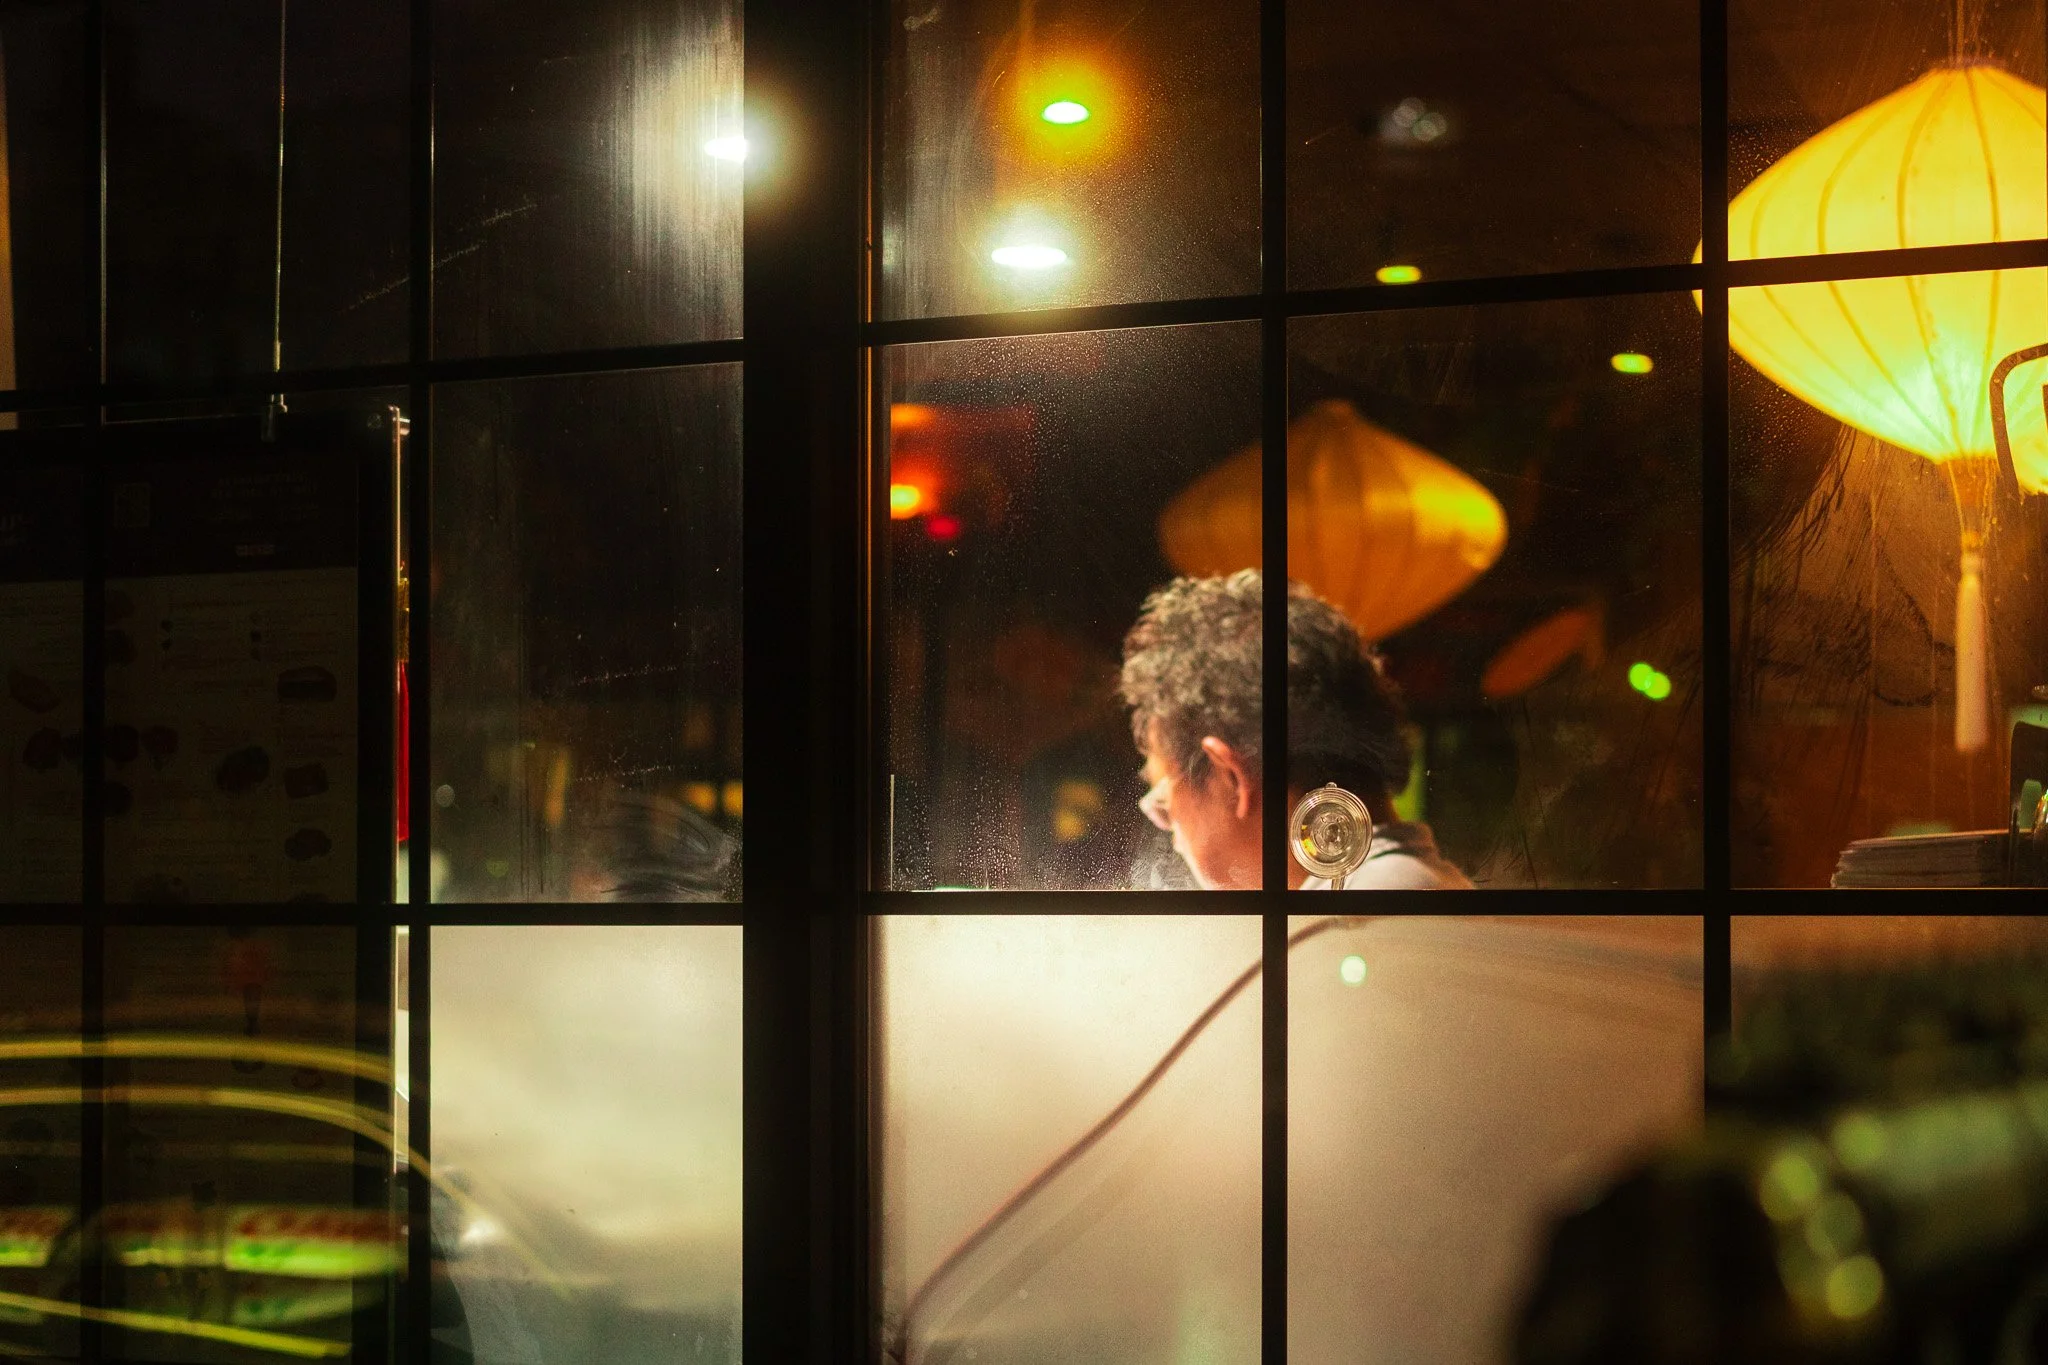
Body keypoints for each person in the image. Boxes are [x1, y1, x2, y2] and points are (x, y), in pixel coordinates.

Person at [1119, 569, 1470, 890]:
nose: (1175, 843)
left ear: (1230, 777)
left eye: (1163, 805)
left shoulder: (1342, 930)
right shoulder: (1430, 888)